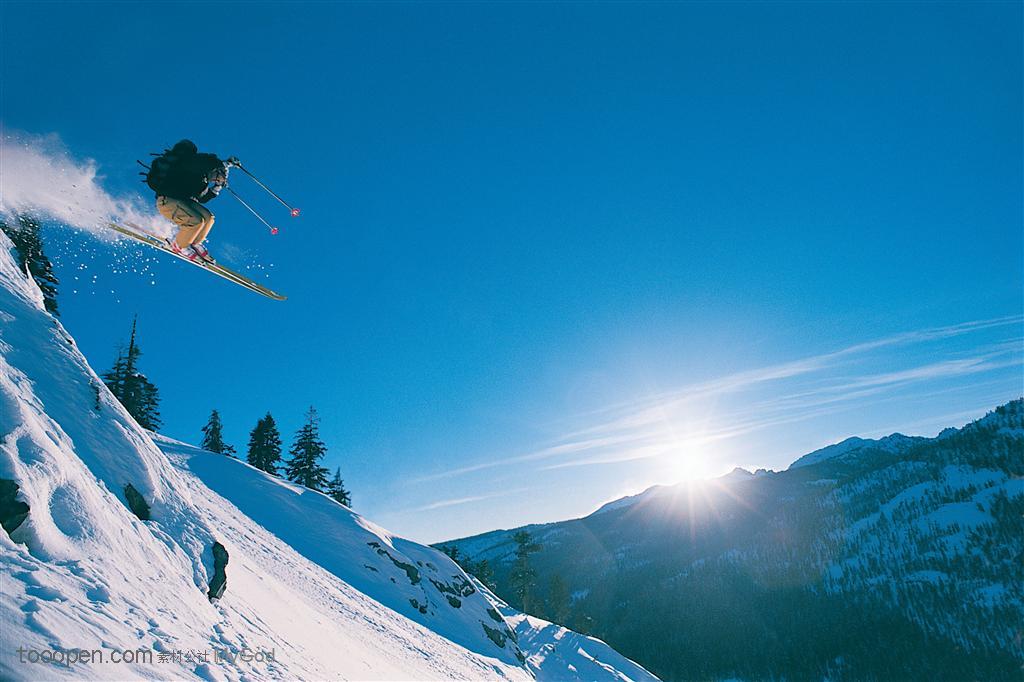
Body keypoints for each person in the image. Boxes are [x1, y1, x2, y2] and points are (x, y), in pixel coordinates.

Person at [147, 140, 239, 263]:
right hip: (167, 201)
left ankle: (193, 242)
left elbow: (202, 198)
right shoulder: (190, 164)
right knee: (196, 221)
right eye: (217, 175)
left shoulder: (202, 180)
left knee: (208, 218)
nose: (215, 179)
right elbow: (202, 163)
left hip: (181, 201)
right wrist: (225, 164)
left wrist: (217, 187)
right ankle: (179, 245)